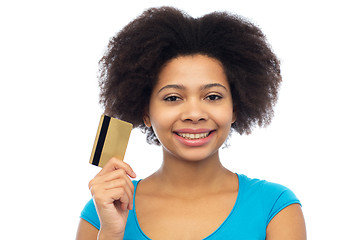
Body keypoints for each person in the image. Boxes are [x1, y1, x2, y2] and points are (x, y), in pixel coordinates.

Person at [76, 6, 306, 240]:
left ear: (235, 108)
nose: (194, 114)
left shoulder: (274, 208)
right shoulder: (102, 211)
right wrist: (111, 233)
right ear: (145, 111)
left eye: (213, 97)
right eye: (173, 98)